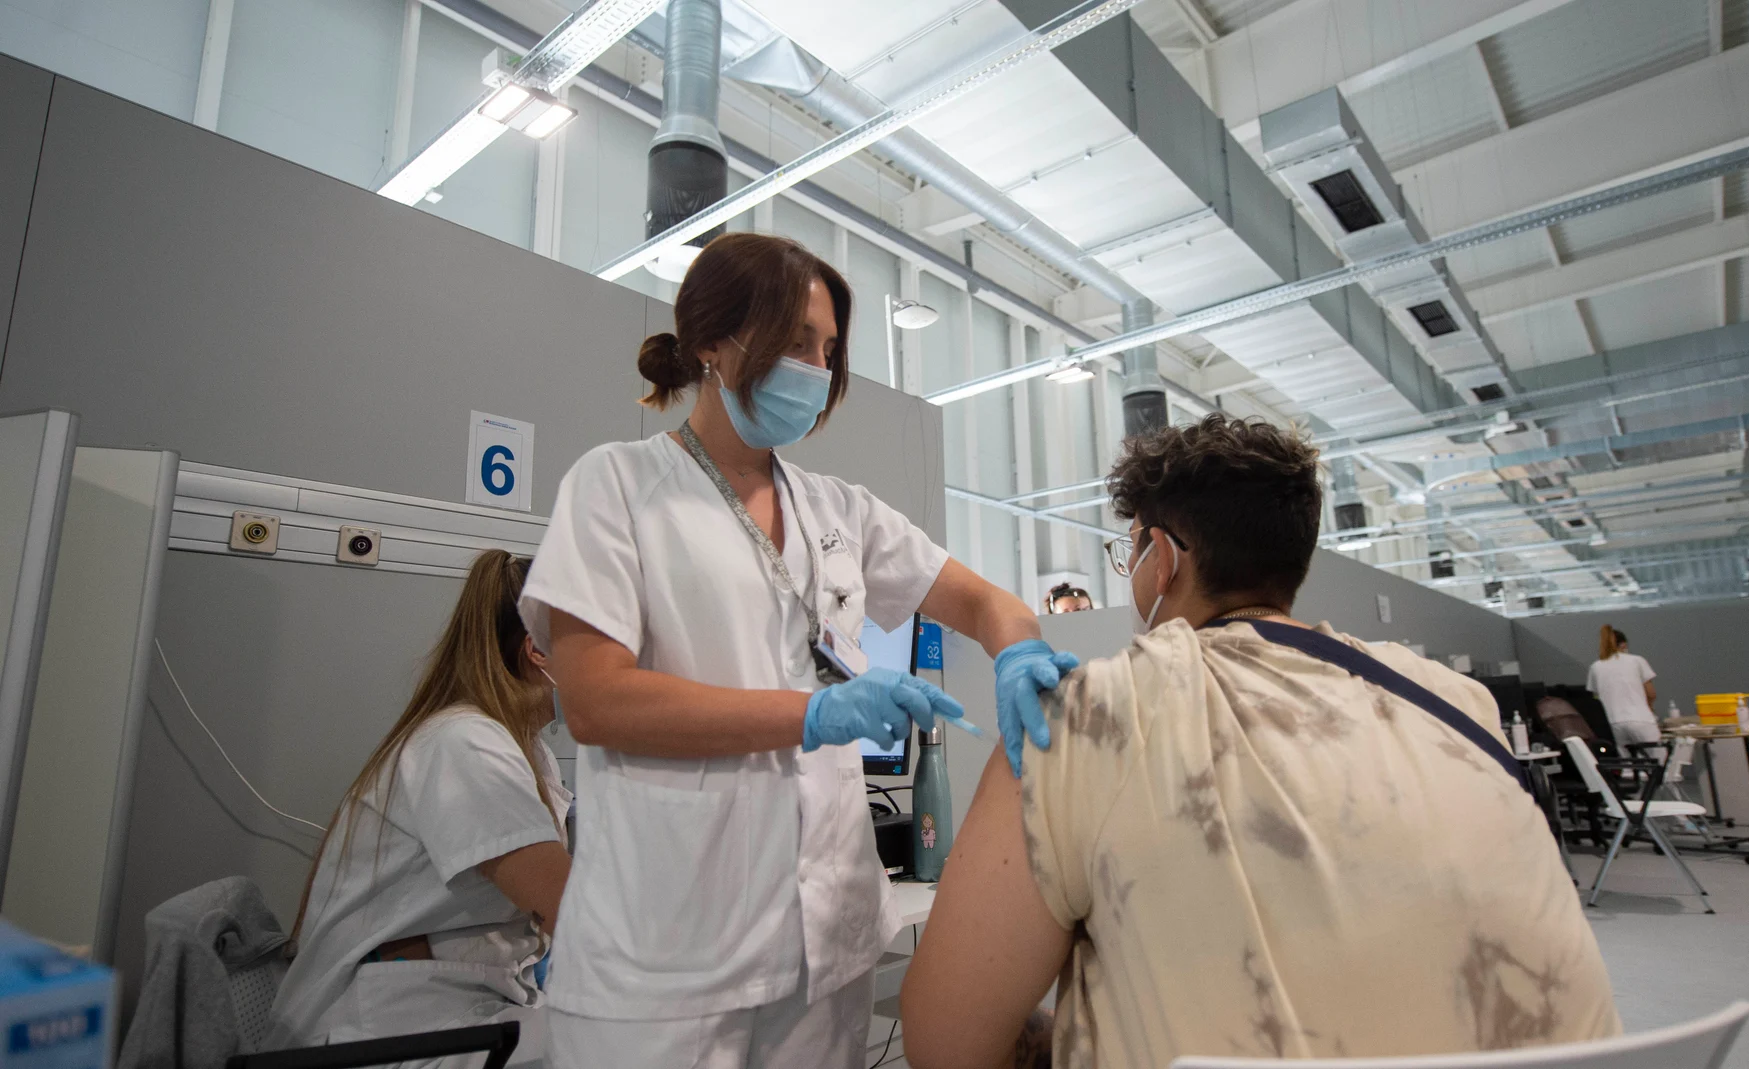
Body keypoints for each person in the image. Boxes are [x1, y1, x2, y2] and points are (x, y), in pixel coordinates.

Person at [900, 415, 1618, 1069]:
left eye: (1131, 556)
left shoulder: (1086, 715)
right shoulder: (1460, 705)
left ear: (1162, 559)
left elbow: (944, 1042)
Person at [519, 233, 1077, 1069]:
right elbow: (595, 702)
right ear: (711, 343)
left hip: (827, 944)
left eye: (827, 349)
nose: (815, 370)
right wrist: (813, 713)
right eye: (793, 344)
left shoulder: (836, 509)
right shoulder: (617, 487)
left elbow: (982, 600)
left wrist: (1016, 651)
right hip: (667, 952)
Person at [268, 550, 572, 1061]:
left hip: (454, 1002)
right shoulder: (465, 743)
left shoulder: (525, 746)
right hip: (386, 1029)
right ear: (537, 651)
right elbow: (573, 910)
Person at [1583, 626, 1659, 753]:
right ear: (1624, 645)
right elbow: (1651, 693)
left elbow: (1596, 698)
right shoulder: (1636, 660)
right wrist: (1650, 708)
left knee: (1627, 765)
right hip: (1640, 719)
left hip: (1614, 723)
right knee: (1658, 761)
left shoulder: (1595, 667)